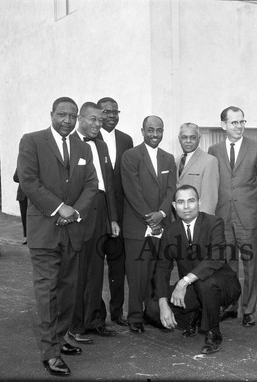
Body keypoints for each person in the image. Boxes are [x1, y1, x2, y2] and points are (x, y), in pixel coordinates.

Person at [17, 96, 98, 377]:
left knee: (66, 295)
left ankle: (59, 338)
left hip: (73, 231)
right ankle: (49, 353)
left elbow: (92, 184)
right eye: (62, 115)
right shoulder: (32, 141)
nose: (67, 121)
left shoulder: (82, 147)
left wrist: (74, 212)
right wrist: (58, 207)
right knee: (47, 294)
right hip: (44, 232)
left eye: (72, 116)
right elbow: (28, 181)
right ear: (51, 114)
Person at [145, 185, 241, 354]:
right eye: (181, 202)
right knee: (152, 309)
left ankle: (213, 332)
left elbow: (216, 257)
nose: (186, 206)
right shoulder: (170, 230)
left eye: (191, 201)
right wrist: (162, 302)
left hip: (223, 284)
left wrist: (184, 281)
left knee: (206, 283)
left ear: (199, 202)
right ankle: (194, 316)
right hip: (193, 288)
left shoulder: (214, 222)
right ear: (174, 206)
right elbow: (162, 268)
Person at [208, 106, 257, 327]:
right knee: (228, 264)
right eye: (234, 122)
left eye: (242, 122)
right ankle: (232, 306)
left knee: (251, 264)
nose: (239, 126)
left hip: (247, 217)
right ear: (223, 125)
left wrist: (252, 205)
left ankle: (249, 310)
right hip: (223, 216)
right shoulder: (213, 150)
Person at [68, 102, 120, 342]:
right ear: (80, 118)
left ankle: (94, 320)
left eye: (101, 120)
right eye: (93, 119)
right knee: (78, 271)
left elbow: (108, 183)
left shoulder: (101, 145)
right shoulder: (69, 143)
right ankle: (75, 325)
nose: (98, 124)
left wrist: (112, 218)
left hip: (100, 211)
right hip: (79, 212)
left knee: (96, 270)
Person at [121, 115, 176, 334]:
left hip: (161, 224)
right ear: (142, 131)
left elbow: (171, 188)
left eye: (159, 130)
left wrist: (161, 213)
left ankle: (152, 313)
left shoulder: (168, 158)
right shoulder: (131, 156)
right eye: (150, 130)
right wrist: (149, 216)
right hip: (138, 225)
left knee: (157, 272)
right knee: (137, 273)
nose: (155, 135)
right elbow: (131, 190)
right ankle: (134, 316)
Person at [96, 96, 133, 327]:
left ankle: (117, 311)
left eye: (115, 111)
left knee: (118, 267)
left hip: (119, 216)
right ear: (98, 114)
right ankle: (97, 314)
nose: (111, 116)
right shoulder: (89, 137)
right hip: (96, 216)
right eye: (106, 112)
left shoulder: (126, 140)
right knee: (95, 269)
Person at [176, 123, 219, 215]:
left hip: (197, 220)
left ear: (199, 138)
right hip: (177, 221)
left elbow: (209, 199)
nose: (188, 141)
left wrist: (202, 224)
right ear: (179, 139)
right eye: (184, 137)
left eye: (193, 137)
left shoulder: (209, 161)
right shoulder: (176, 161)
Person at [13, 168, 27, 244]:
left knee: (33, 217)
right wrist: (25, 177)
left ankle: (34, 237)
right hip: (22, 195)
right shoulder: (20, 166)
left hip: (33, 196)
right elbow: (15, 178)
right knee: (24, 217)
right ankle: (27, 237)